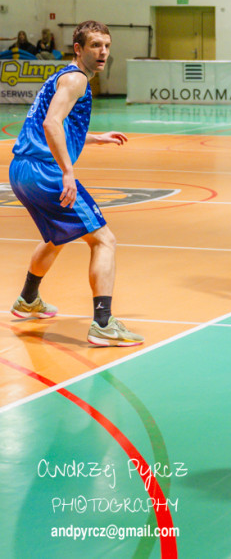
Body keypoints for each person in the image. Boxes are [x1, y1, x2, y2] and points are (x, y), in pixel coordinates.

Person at [8, 20, 142, 347]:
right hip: (46, 170)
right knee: (104, 240)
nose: (103, 52)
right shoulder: (76, 78)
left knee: (58, 237)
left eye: (107, 46)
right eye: (96, 45)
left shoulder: (61, 76)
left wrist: (95, 138)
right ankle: (103, 323)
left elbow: (58, 124)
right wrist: (67, 171)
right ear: (78, 49)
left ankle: (28, 299)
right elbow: (51, 122)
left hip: (21, 169)